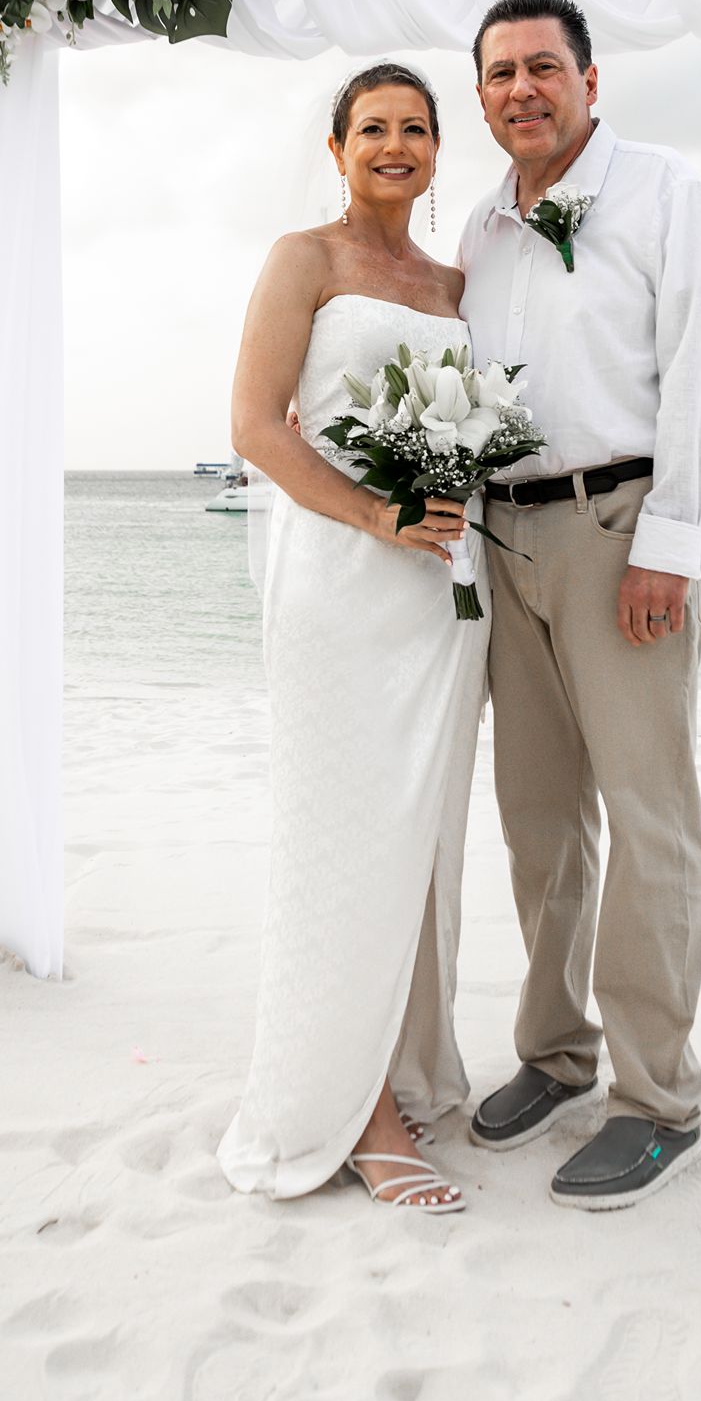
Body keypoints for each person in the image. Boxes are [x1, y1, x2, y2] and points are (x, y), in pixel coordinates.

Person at [459, 0, 701, 1211]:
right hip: (502, 538)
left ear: (588, 78)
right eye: (496, 74)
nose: (519, 89)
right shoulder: (475, 224)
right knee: (538, 824)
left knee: (647, 819)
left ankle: (657, 1097)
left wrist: (671, 541)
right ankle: (556, 1053)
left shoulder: (665, 191)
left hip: (621, 527)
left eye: (541, 67)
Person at [217, 63, 487, 1215]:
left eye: (414, 128)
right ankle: (358, 1110)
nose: (393, 144)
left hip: (435, 593)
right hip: (337, 576)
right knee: (342, 835)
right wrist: (377, 513)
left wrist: (446, 498)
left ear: (436, 152)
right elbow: (252, 428)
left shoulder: (453, 280)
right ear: (336, 149)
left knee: (419, 840)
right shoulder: (304, 259)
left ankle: (408, 1064)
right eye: (370, 128)